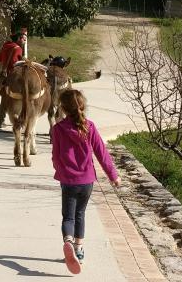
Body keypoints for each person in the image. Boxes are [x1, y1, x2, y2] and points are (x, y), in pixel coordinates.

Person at [51, 89, 120, 274]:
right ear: (82, 106)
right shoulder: (89, 126)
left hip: (68, 181)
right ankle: (79, 251)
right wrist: (113, 175)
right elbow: (102, 153)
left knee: (68, 216)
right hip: (87, 180)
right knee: (80, 214)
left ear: (63, 109)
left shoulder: (57, 129)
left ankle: (68, 241)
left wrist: (61, 171)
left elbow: (56, 157)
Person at [0, 28, 27, 128]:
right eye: (23, 39)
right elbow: (15, 64)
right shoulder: (17, 48)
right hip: (13, 78)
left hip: (5, 76)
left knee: (4, 98)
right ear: (18, 38)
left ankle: (1, 120)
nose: (24, 41)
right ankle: (19, 121)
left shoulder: (6, 46)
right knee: (19, 99)